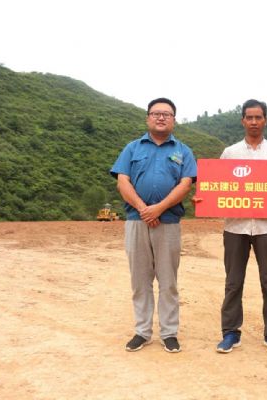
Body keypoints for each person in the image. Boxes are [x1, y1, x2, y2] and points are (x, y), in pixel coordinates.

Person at [110, 98, 196, 353]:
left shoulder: (183, 151)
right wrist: (143, 209)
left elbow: (185, 184)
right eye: (156, 113)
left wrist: (159, 209)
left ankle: (169, 333)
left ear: (174, 120)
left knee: (168, 281)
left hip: (168, 222)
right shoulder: (132, 148)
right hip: (136, 222)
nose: (161, 117)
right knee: (140, 280)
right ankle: (142, 331)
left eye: (166, 114)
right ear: (148, 118)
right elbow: (122, 181)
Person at [216, 99, 267, 353]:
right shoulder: (230, 152)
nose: (254, 122)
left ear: (265, 120)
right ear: (243, 121)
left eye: (258, 117)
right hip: (235, 227)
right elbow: (218, 186)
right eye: (249, 117)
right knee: (233, 282)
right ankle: (230, 333)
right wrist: (205, 199)